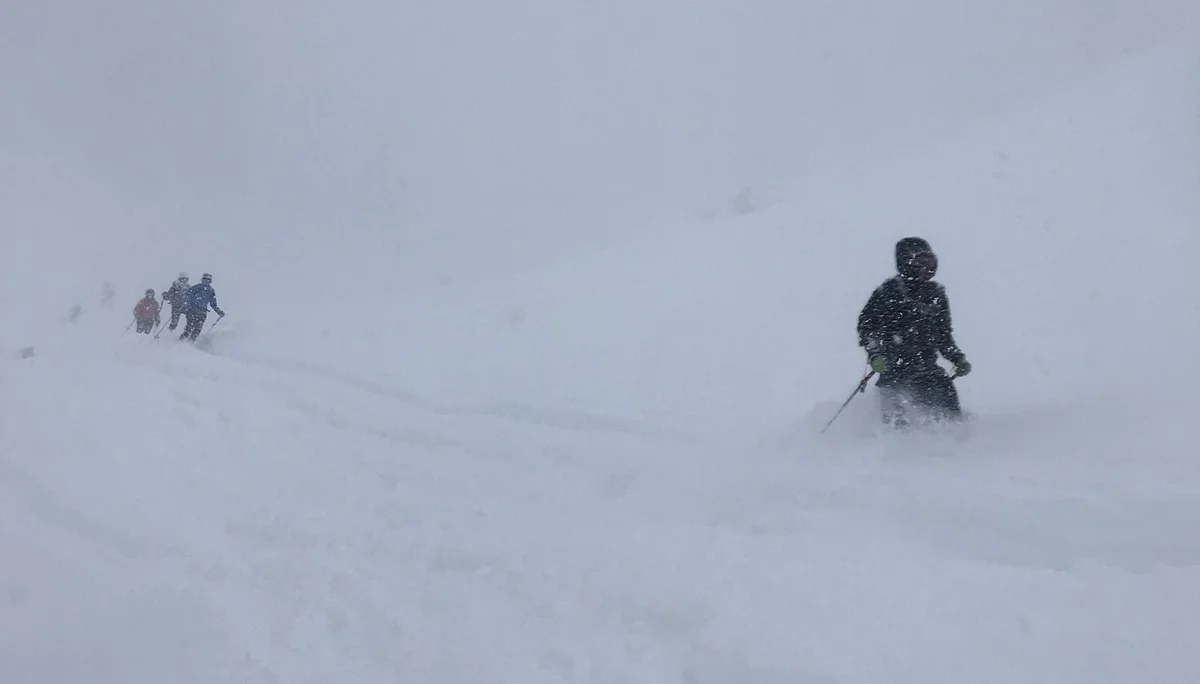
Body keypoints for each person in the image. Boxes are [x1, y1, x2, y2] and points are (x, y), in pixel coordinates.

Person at [857, 237, 972, 428]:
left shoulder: (936, 295)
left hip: (928, 369)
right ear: (905, 263)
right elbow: (867, 327)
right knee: (896, 419)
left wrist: (957, 358)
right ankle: (892, 442)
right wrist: (876, 355)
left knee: (949, 410)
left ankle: (953, 441)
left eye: (930, 263)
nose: (927, 269)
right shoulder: (887, 292)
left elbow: (943, 334)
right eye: (920, 263)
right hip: (894, 371)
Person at [181, 272, 225, 341]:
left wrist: (219, 311)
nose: (206, 281)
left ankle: (190, 343)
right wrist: (186, 304)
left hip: (202, 313)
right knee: (189, 328)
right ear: (202, 280)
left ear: (210, 281)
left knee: (197, 329)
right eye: (205, 279)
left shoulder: (211, 291)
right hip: (192, 310)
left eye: (208, 280)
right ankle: (180, 341)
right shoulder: (196, 287)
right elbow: (188, 295)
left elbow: (213, 304)